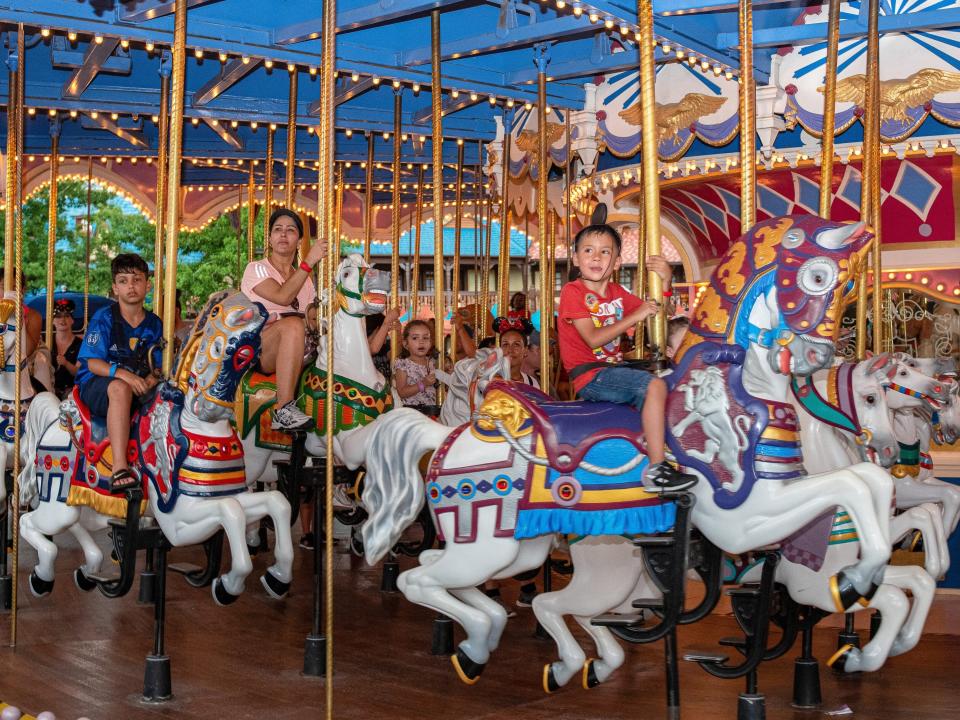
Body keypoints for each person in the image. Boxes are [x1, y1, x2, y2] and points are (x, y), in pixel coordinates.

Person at [558, 223, 697, 492]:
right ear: (576, 258)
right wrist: (636, 314)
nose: (596, 257)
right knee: (653, 385)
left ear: (618, 262)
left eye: (605, 252)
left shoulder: (617, 294)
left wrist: (666, 281)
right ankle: (657, 470)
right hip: (590, 374)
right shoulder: (572, 293)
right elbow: (594, 338)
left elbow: (660, 312)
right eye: (588, 250)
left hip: (612, 369)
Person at [75, 253, 163, 492]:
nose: (130, 286)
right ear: (115, 288)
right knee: (119, 388)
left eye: (136, 280)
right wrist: (125, 375)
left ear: (148, 285)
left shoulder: (155, 323)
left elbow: (159, 364)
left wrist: (151, 378)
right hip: (98, 384)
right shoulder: (103, 318)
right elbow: (92, 362)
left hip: (138, 384)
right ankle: (119, 468)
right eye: (123, 281)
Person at [240, 208, 326, 432]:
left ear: (299, 240)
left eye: (290, 230)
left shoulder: (305, 281)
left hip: (300, 346)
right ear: (269, 238)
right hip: (261, 349)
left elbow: (312, 318)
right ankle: (283, 408)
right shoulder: (256, 269)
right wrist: (309, 261)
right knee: (292, 325)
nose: (283, 235)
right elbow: (283, 296)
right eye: (277, 230)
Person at [393, 320, 437, 412]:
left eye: (425, 338)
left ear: (431, 342)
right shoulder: (403, 364)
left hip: (433, 410)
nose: (421, 342)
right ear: (405, 344)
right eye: (415, 338)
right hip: (412, 412)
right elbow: (401, 392)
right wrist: (423, 383)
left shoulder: (434, 363)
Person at [51, 298, 82, 399]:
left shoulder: (80, 344)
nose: (62, 320)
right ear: (52, 321)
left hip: (70, 390)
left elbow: (78, 372)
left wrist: (66, 363)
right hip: (49, 388)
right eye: (58, 317)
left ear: (72, 320)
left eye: (67, 316)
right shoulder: (46, 342)